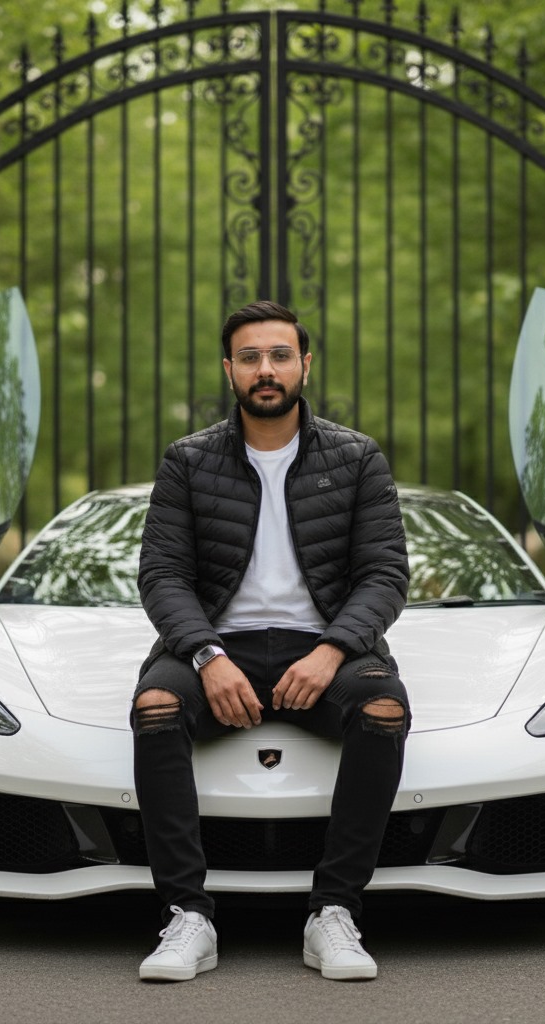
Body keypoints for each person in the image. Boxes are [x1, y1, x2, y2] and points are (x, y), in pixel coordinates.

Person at [132, 299, 411, 982]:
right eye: (250, 357)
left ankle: (334, 913)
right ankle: (187, 916)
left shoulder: (357, 458)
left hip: (323, 646)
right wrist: (205, 655)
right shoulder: (187, 461)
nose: (266, 369)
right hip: (214, 646)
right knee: (155, 709)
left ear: (304, 364)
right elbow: (162, 576)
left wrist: (334, 649)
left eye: (280, 355)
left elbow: (385, 574)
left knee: (384, 711)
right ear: (229, 369)